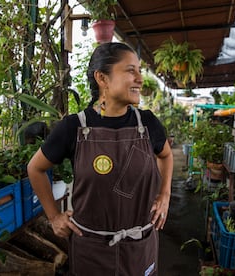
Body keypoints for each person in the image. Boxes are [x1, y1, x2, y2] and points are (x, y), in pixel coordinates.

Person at [27, 42, 173, 275]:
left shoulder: (147, 124)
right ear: (102, 78)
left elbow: (166, 156)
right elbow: (35, 168)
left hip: (140, 246)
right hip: (92, 251)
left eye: (139, 70)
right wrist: (54, 216)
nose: (139, 78)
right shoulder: (74, 127)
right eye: (130, 70)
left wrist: (164, 194)